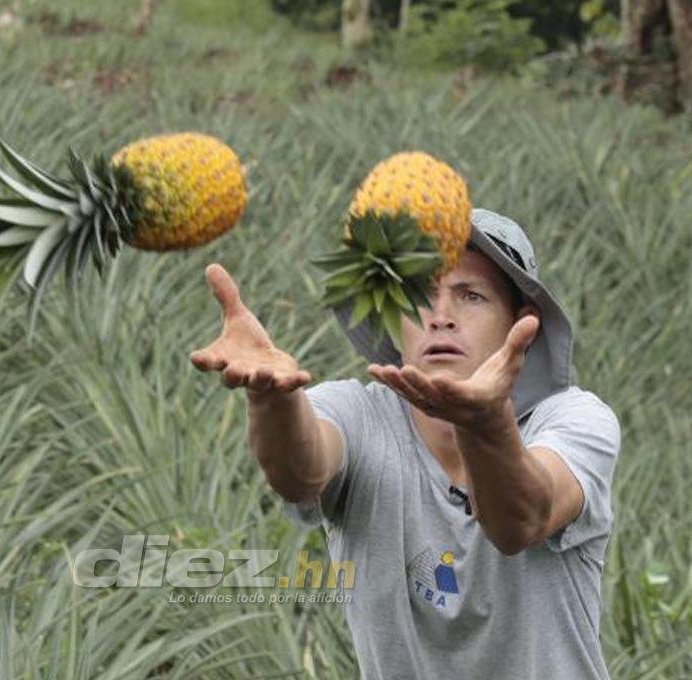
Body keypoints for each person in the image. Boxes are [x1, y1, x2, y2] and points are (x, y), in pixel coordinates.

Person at [190, 208, 622, 679]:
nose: (441, 318)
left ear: (520, 325)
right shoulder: (359, 414)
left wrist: (483, 423)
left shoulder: (574, 420)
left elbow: (522, 520)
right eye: (419, 295)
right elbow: (301, 470)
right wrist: (271, 398)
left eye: (471, 296)